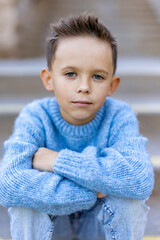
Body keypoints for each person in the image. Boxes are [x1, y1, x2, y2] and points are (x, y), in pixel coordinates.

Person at [0, 13, 154, 240]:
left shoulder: (119, 115)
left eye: (98, 77)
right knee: (26, 205)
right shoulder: (35, 116)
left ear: (112, 85)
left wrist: (56, 161)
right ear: (49, 79)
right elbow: (9, 185)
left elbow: (140, 180)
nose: (84, 87)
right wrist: (94, 189)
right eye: (70, 74)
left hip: (99, 225)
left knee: (128, 201)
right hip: (53, 224)